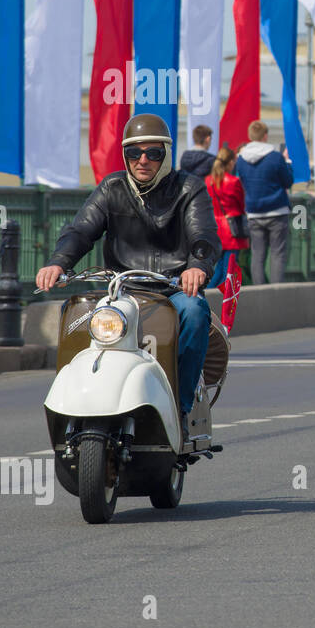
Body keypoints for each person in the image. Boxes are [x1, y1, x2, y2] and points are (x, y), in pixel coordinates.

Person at [35, 115, 220, 442]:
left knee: (194, 313)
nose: (143, 160)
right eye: (134, 153)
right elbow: (81, 231)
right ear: (125, 156)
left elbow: (203, 236)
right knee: (76, 315)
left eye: (153, 153)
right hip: (122, 290)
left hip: (172, 288)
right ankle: (75, 403)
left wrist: (197, 266)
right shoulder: (112, 187)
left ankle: (180, 403)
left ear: (166, 154)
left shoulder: (189, 188)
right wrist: (58, 263)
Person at [233, 120, 293, 284]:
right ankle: (276, 292)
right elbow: (288, 181)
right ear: (265, 136)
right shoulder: (275, 157)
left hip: (253, 211)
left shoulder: (241, 159)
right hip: (277, 211)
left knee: (257, 254)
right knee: (277, 254)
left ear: (250, 136)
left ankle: (257, 290)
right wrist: (287, 164)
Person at [205, 146, 248, 289]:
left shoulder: (208, 180)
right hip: (231, 229)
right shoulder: (233, 181)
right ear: (230, 163)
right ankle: (224, 299)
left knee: (219, 268)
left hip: (215, 227)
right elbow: (241, 205)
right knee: (229, 270)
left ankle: (208, 293)